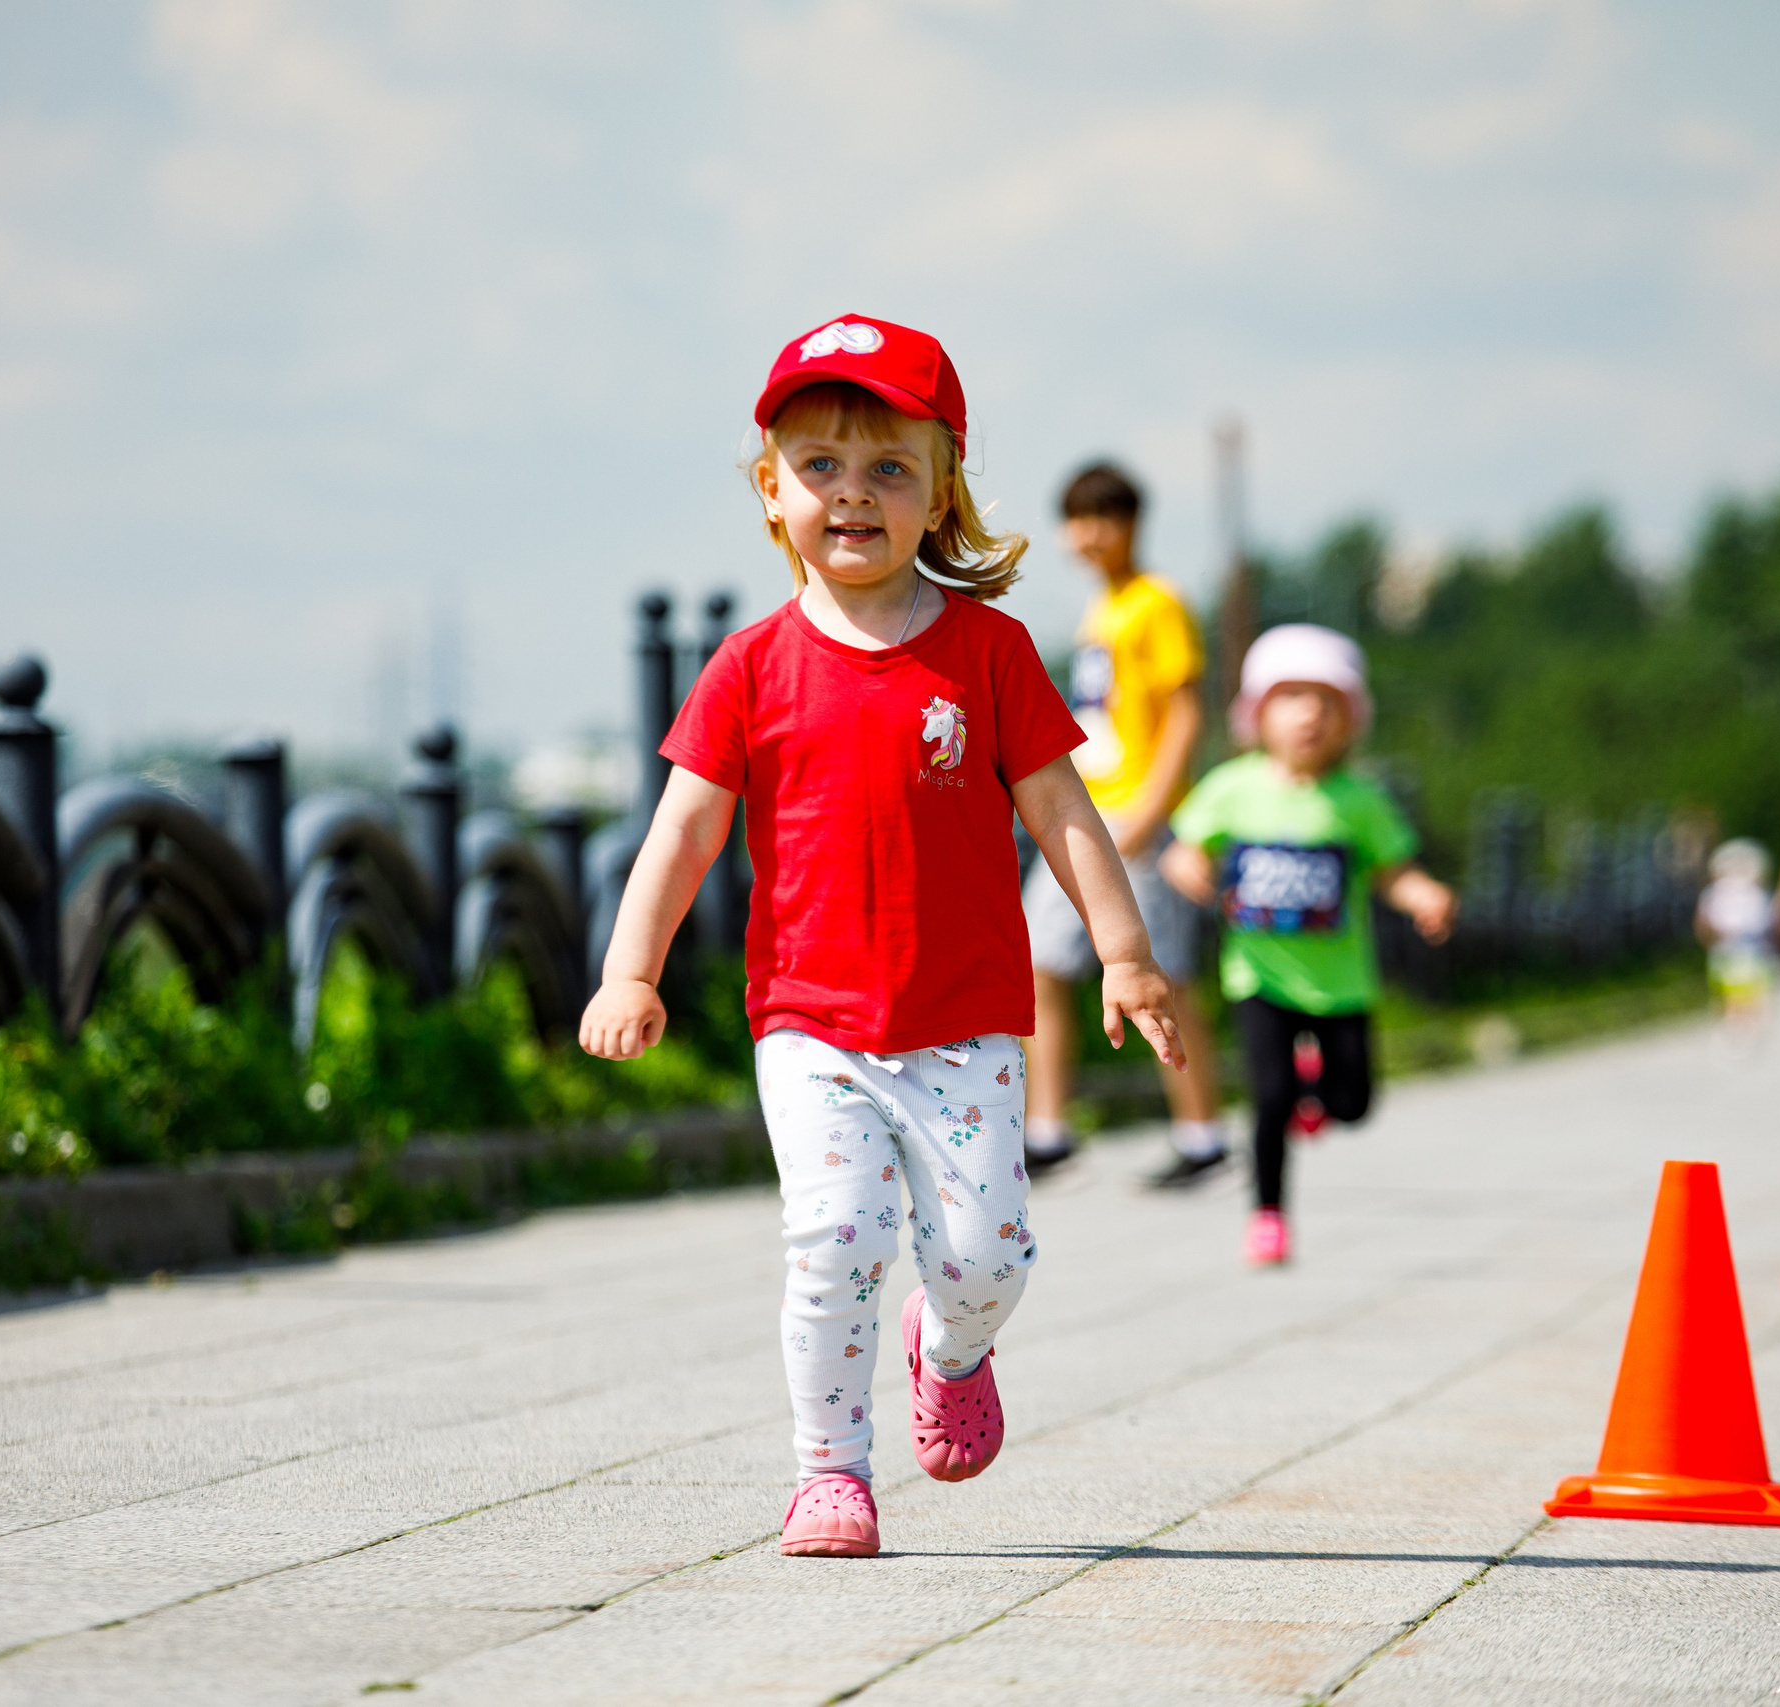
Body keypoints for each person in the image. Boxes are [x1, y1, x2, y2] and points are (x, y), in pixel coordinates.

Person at [577, 315, 1183, 1562]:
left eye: (887, 468)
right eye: (819, 466)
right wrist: (630, 969)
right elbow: (682, 835)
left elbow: (1065, 817)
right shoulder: (749, 669)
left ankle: (946, 1347)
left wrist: (1123, 951)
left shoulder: (989, 653)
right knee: (836, 1237)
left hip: (964, 1023)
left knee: (985, 1258)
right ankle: (829, 1474)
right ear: (771, 489)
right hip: (813, 1025)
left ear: (940, 487)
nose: (850, 494)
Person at [1158, 624, 1453, 1266]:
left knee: (1355, 1103)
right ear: (1258, 714)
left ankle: (1317, 1088)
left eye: (1326, 701)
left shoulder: (1359, 800)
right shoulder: (1234, 787)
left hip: (1341, 981)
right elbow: (1182, 849)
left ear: (1351, 720)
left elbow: (1393, 870)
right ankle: (1267, 1215)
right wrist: (1192, 873)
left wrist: (1424, 894)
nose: (1309, 715)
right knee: (1268, 1099)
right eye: (1291, 697)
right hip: (1259, 976)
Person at [1021, 462, 1227, 1187]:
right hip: (1089, 809)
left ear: (1130, 523)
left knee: (1163, 974)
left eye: (1097, 518)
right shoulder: (1099, 610)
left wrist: (1154, 808)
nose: (1084, 534)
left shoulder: (1156, 603)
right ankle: (1046, 1129)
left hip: (1138, 813)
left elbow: (1186, 710)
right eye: (1074, 519)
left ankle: (1203, 1135)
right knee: (1038, 959)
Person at [1697, 838, 1775, 1037]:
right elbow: (1704, 920)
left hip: (1749, 947)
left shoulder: (1754, 893)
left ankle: (1751, 1021)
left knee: (1749, 987)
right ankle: (1732, 1022)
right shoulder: (1714, 893)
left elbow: (1762, 921)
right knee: (1727, 988)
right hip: (1724, 947)